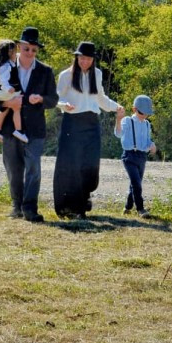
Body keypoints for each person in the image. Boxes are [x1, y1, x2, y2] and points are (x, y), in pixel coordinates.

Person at [0, 27, 59, 223]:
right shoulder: (6, 66)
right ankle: (16, 206)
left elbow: (53, 100)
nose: (30, 53)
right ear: (19, 47)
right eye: (26, 49)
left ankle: (30, 209)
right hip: (11, 129)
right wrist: (8, 103)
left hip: (35, 130)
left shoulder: (46, 71)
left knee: (33, 168)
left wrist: (40, 99)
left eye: (34, 50)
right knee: (13, 168)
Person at [53, 41, 125, 219]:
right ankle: (71, 207)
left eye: (88, 59)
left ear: (93, 60)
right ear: (77, 58)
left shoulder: (97, 74)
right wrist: (63, 105)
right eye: (81, 58)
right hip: (72, 122)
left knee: (90, 164)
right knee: (71, 165)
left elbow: (100, 98)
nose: (85, 62)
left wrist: (117, 107)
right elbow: (55, 98)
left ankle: (83, 200)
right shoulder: (66, 76)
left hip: (91, 122)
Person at [115, 95, 157, 218]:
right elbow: (118, 134)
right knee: (136, 183)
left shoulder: (147, 124)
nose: (144, 115)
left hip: (142, 157)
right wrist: (118, 119)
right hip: (129, 156)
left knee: (135, 183)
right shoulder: (127, 121)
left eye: (147, 113)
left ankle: (127, 207)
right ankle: (140, 209)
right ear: (134, 109)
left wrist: (152, 145)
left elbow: (147, 140)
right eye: (141, 112)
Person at [0, 39, 28, 144]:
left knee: (5, 109)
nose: (16, 54)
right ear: (8, 53)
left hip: (3, 93)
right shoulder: (6, 66)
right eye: (14, 52)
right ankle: (18, 130)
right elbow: (3, 81)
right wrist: (8, 88)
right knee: (17, 105)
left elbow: (20, 56)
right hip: (5, 92)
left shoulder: (9, 62)